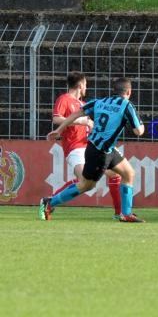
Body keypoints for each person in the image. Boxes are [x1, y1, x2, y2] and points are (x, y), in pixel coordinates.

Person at [41, 77, 145, 223]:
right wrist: (142, 126)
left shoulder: (99, 102)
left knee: (128, 173)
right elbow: (138, 132)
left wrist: (59, 130)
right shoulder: (126, 105)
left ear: (114, 91)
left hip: (104, 149)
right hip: (99, 152)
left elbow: (76, 114)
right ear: (128, 91)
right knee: (86, 185)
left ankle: (126, 214)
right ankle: (49, 202)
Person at [51, 71, 123, 219]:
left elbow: (89, 123)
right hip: (75, 148)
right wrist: (81, 121)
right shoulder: (64, 99)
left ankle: (118, 213)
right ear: (80, 85)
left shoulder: (83, 104)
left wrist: (91, 124)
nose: (86, 88)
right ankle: (49, 201)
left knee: (115, 175)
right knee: (85, 182)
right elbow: (57, 119)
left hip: (89, 146)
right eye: (85, 85)